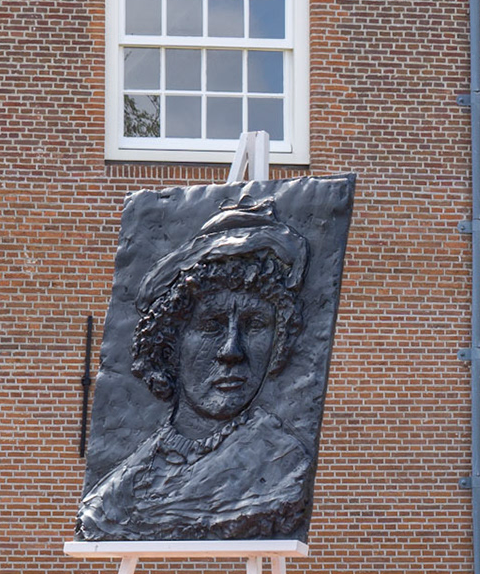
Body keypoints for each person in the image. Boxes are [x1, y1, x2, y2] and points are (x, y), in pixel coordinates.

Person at [78, 196, 314, 541]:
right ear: (169, 342)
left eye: (255, 325)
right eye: (211, 325)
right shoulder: (120, 483)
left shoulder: (282, 465)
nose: (232, 351)